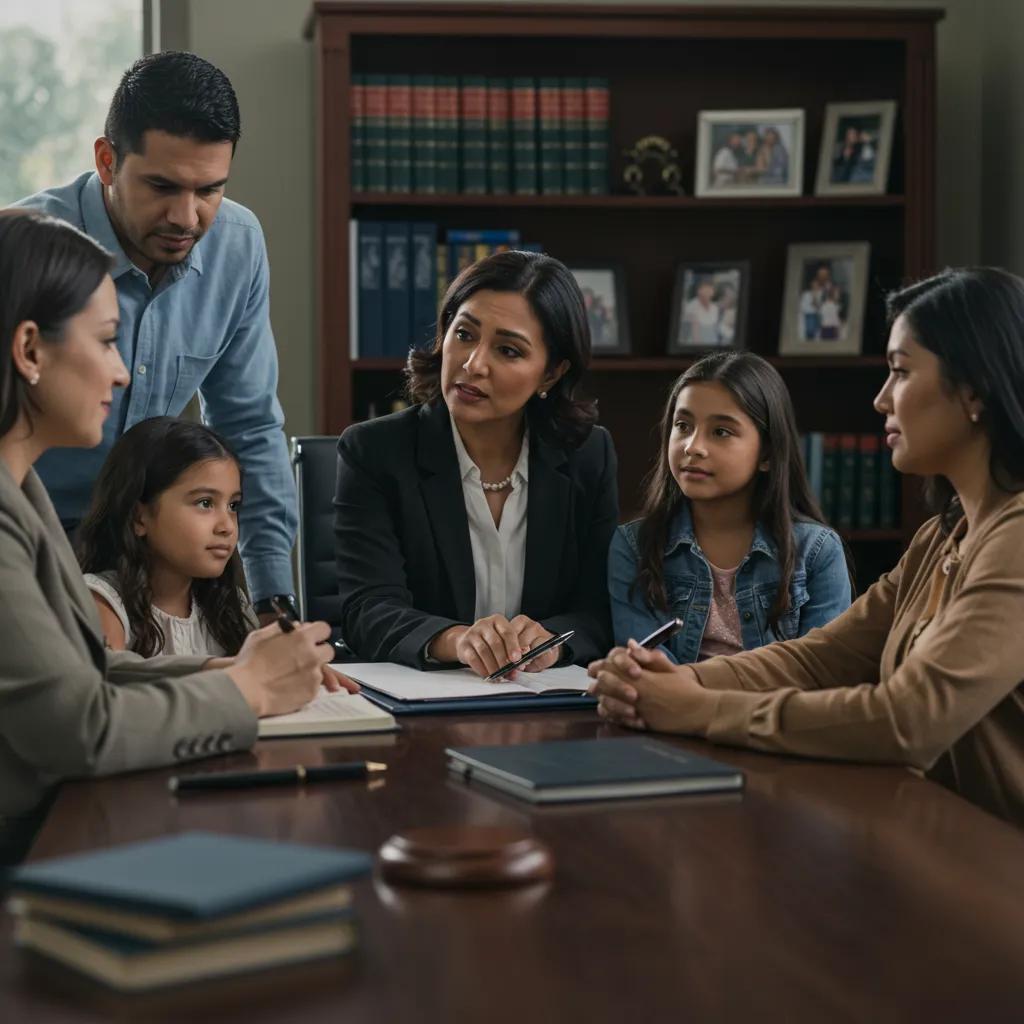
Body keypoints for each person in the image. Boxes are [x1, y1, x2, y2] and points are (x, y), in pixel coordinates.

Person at [589, 267, 1024, 827]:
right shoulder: (943, 534)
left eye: (900, 372)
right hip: (933, 830)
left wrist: (701, 709)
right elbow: (824, 655)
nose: (880, 399)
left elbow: (906, 720)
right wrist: (676, 681)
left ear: (974, 391)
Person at [0, 210, 356, 864]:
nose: (123, 373)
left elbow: (83, 672)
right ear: (28, 351)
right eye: (107, 341)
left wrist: (228, 667)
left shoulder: (23, 490)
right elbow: (80, 727)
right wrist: (245, 691)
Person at [11, 51, 299, 623]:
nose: (186, 217)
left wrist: (273, 602)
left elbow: (250, 427)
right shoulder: (27, 249)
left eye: (209, 190)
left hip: (147, 559)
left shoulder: (237, 247)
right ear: (106, 160)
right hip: (24, 542)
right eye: (162, 186)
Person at [334, 250, 619, 678]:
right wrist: (458, 640)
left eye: (508, 350)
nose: (473, 364)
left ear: (551, 374)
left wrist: (550, 643)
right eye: (464, 334)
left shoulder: (587, 457)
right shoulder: (375, 450)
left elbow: (599, 610)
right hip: (422, 705)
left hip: (544, 705)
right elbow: (368, 610)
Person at [608, 352, 851, 665]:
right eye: (683, 425)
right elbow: (647, 664)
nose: (692, 447)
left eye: (721, 431)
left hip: (776, 712)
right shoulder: (633, 546)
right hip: (674, 711)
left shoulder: (817, 551)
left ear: (767, 454)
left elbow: (821, 670)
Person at [76, 417, 258, 657]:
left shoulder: (230, 608)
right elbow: (112, 689)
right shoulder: (103, 603)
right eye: (205, 503)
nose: (227, 526)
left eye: (233, 506)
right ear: (139, 518)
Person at [682, 279, 720, 347]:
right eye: (705, 289)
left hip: (713, 343)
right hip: (697, 345)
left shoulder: (715, 308)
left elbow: (715, 330)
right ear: (699, 291)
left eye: (710, 289)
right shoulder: (692, 306)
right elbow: (695, 334)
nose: (708, 292)